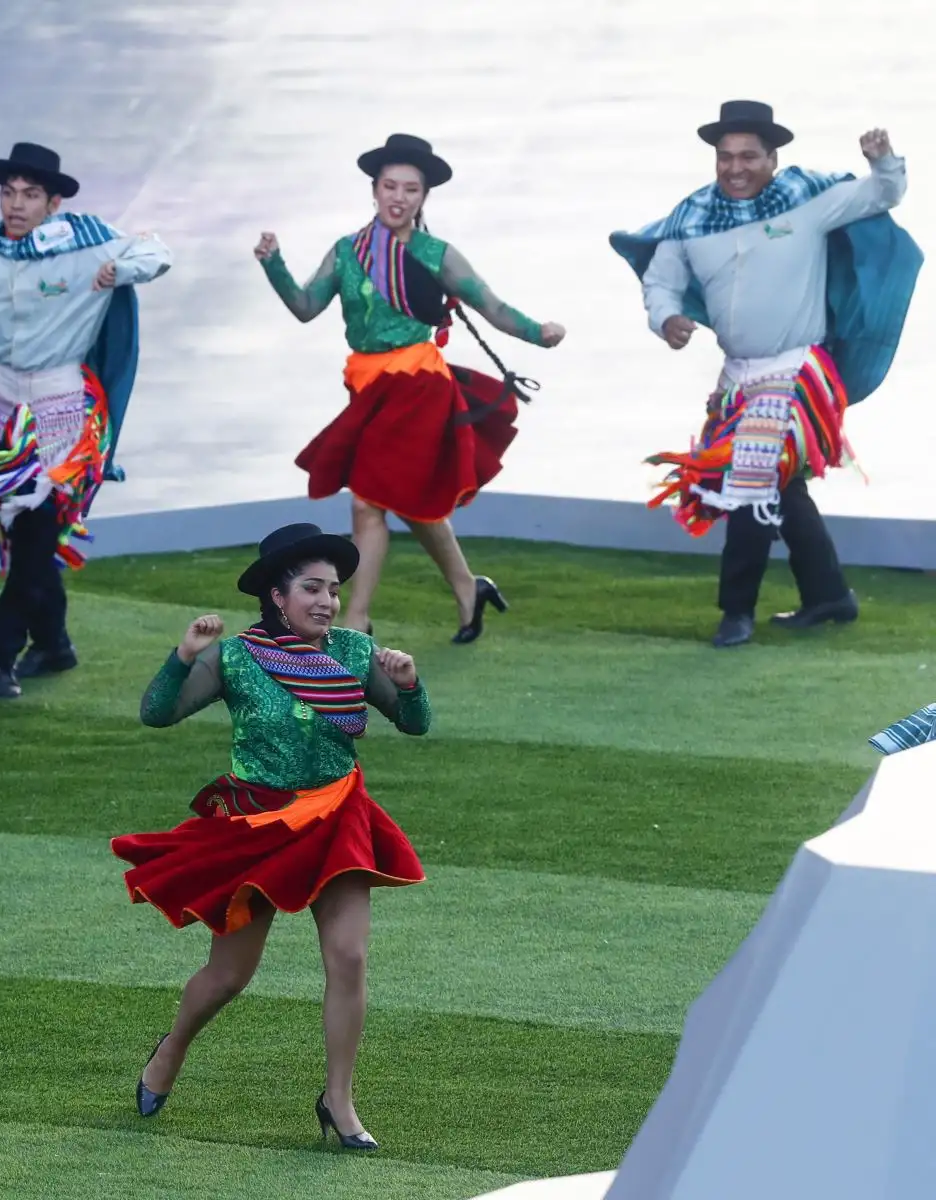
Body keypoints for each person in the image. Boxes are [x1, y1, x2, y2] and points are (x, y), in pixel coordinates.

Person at [111, 523, 430, 1149]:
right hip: (257, 829)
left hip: (337, 817)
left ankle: (338, 1100)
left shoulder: (355, 653)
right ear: (277, 597)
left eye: (333, 590)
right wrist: (182, 656)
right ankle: (171, 1050)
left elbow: (414, 724)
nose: (327, 602)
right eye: (311, 588)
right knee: (229, 977)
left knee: (350, 956)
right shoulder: (235, 659)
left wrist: (412, 683)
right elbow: (158, 713)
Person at [610, 102, 916, 648]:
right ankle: (829, 594)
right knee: (782, 485)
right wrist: (668, 318)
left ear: (773, 158)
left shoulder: (805, 199)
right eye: (725, 157)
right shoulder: (692, 216)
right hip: (737, 378)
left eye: (749, 156)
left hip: (796, 367)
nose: (735, 168)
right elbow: (660, 281)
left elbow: (882, 194)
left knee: (750, 478)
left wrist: (884, 161)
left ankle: (736, 612)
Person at [256, 134, 565, 642]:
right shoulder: (349, 251)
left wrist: (539, 332)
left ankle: (355, 618)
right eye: (389, 186)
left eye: (411, 189)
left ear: (424, 197)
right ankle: (469, 586)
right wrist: (275, 264)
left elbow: (493, 307)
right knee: (413, 503)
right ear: (374, 190)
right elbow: (306, 307)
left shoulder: (435, 254)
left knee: (367, 501)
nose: (398, 197)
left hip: (420, 385)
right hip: (368, 386)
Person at [0, 142, 172, 693]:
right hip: (1, 409)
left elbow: (156, 253)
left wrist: (121, 268)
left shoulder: (86, 241)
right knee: (28, 534)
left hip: (62, 409)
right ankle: (54, 644)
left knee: (35, 532)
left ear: (52, 203)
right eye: (8, 193)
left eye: (29, 195)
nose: (15, 205)